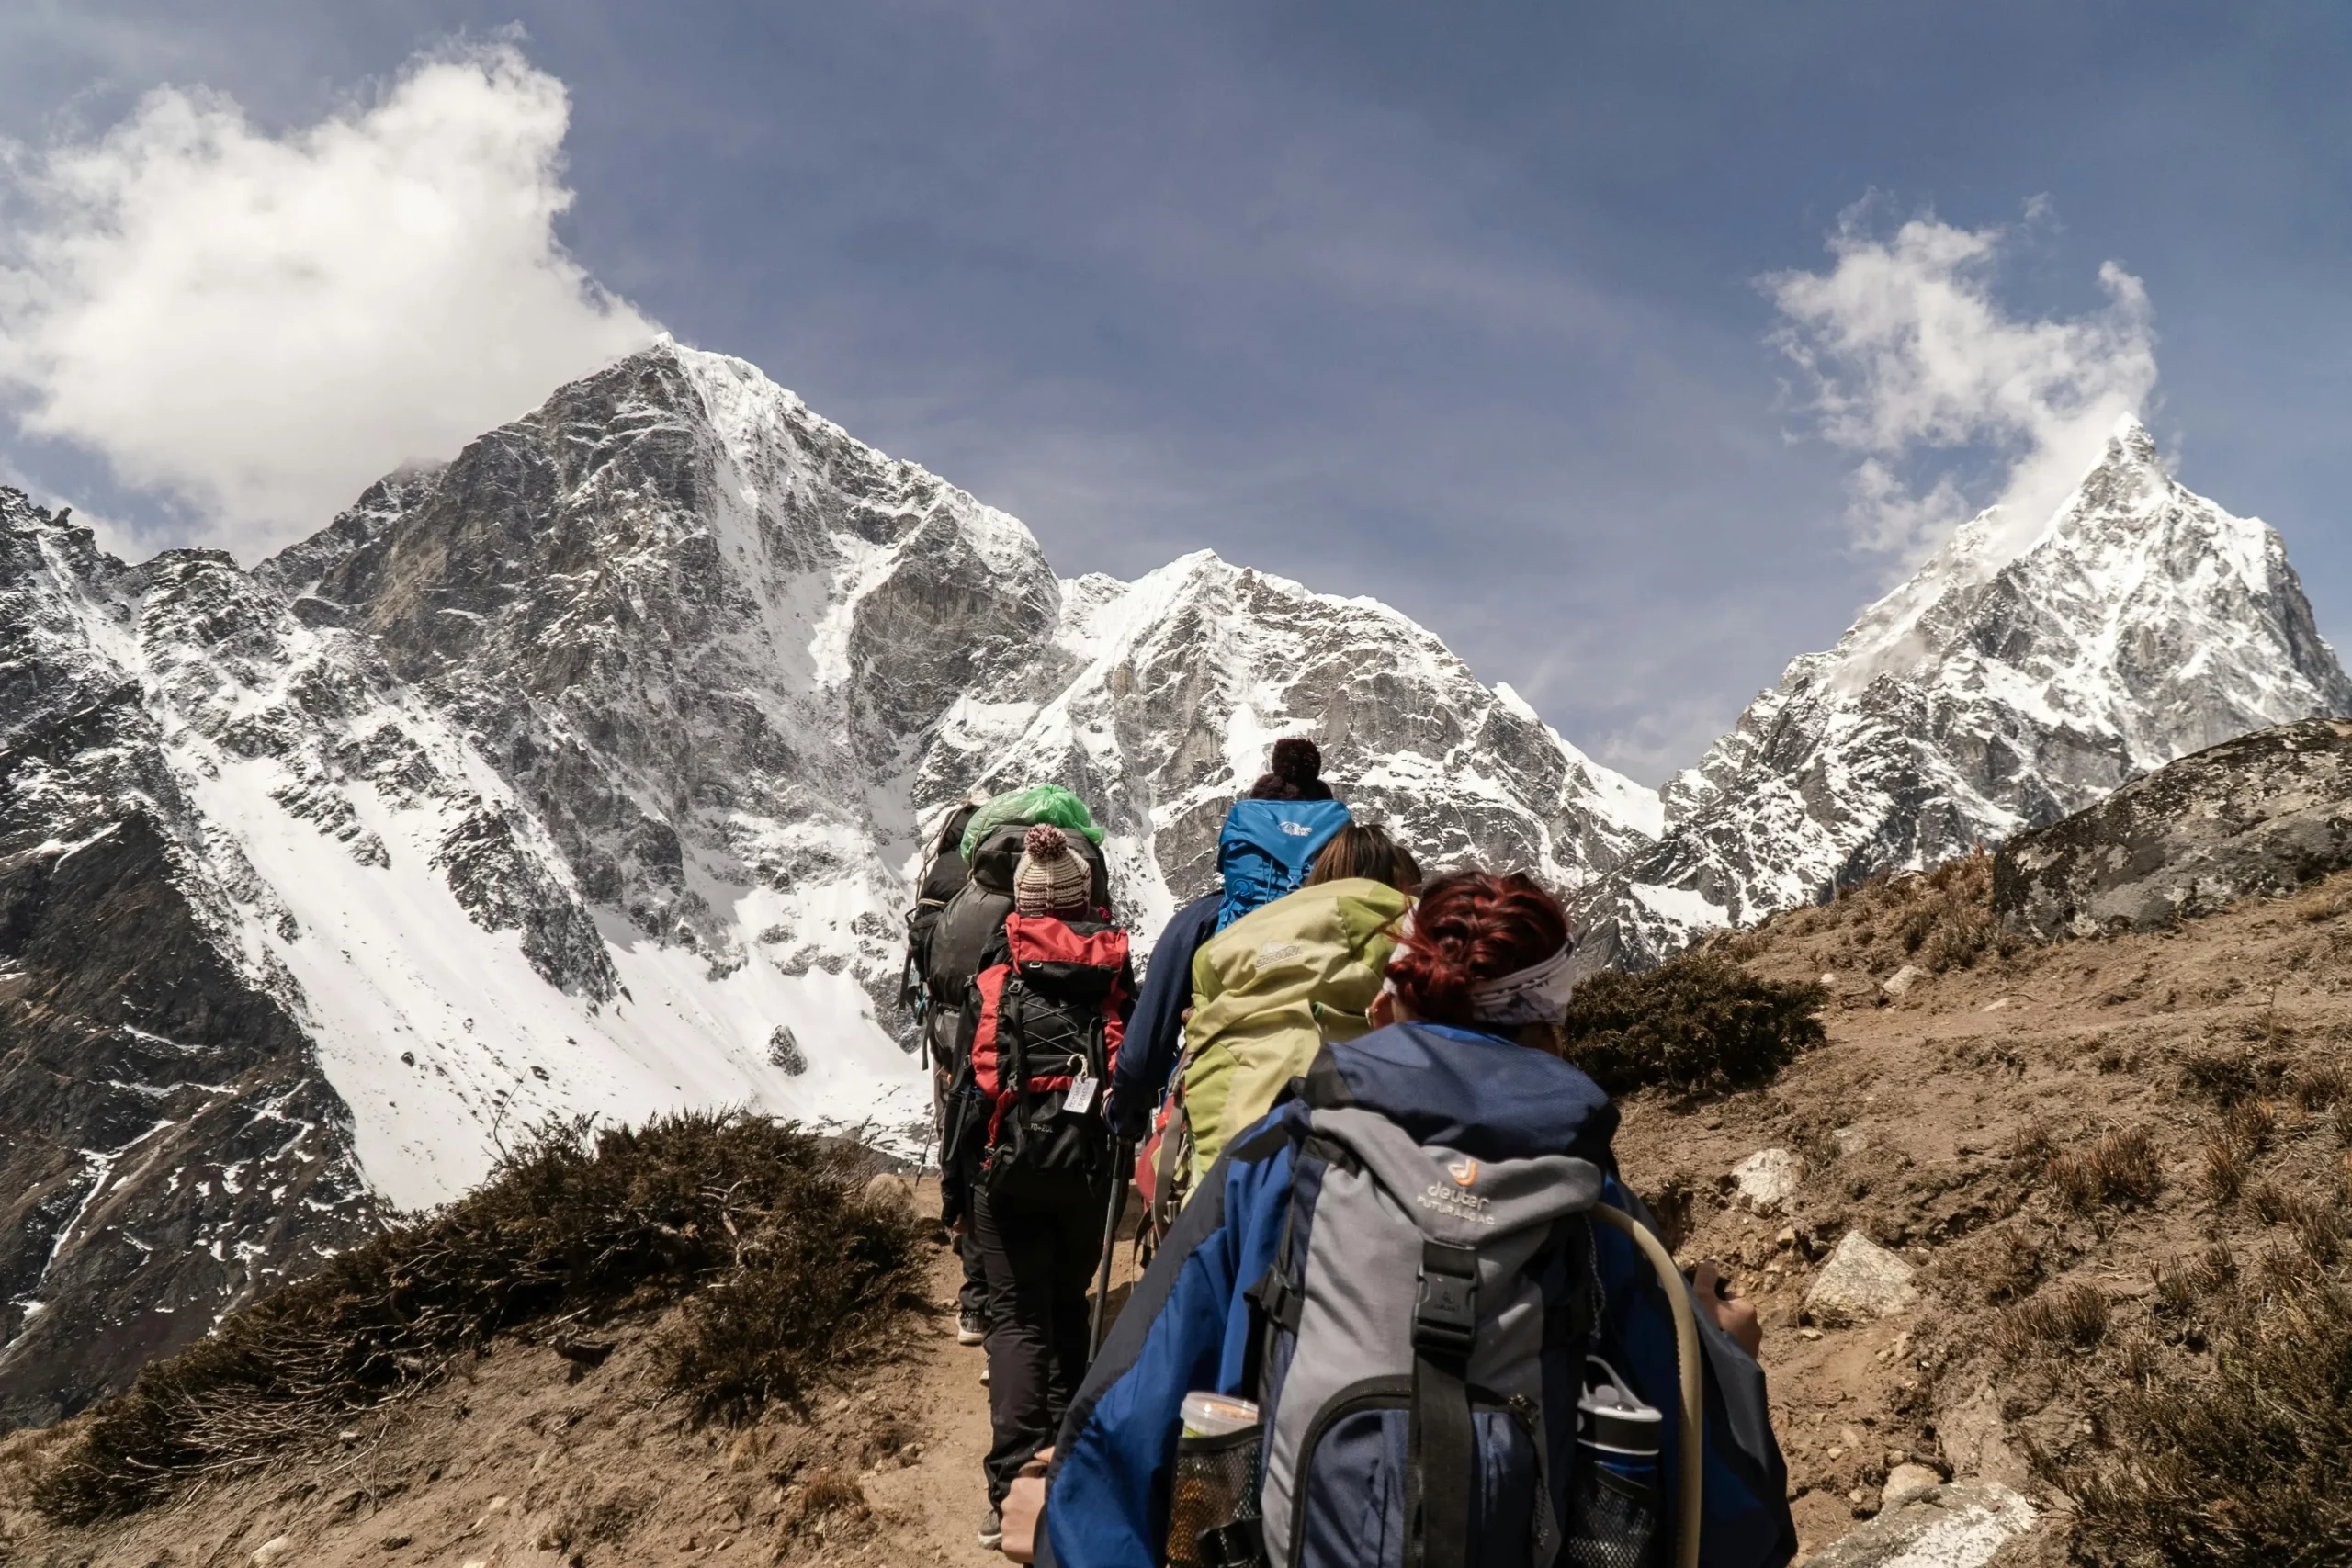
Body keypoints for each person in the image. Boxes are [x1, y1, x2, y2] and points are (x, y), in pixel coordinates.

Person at [1029, 869, 1797, 1568]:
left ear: (1388, 1004)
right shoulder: (1594, 1206)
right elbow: (1738, 1525)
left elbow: (1122, 1433)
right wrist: (1728, 1362)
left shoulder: (1277, 1163)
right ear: (1553, 1033)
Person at [946, 825, 1136, 1551]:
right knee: (1067, 1308)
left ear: (1019, 904)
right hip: (1088, 1172)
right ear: (1085, 900)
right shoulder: (1113, 977)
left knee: (1017, 1319)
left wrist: (958, 1196)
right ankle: (1073, 1470)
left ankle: (1012, 1494)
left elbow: (969, 1094)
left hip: (1007, 1171)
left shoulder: (997, 980)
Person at [1110, 739, 1349, 1145]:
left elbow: (1142, 1054)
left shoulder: (1203, 921)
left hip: (1228, 1121)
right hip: (1339, 1124)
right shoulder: (1365, 923)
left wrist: (1123, 1113)